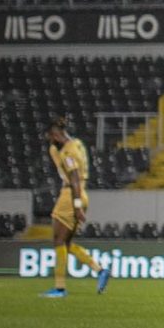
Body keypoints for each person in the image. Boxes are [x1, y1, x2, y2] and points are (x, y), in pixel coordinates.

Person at [42, 117, 109, 298]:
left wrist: (77, 206)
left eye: (51, 137)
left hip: (71, 195)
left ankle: (60, 288)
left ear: (56, 135)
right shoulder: (77, 143)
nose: (50, 141)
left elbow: (74, 179)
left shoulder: (68, 153)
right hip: (80, 193)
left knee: (58, 240)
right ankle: (99, 269)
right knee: (67, 243)